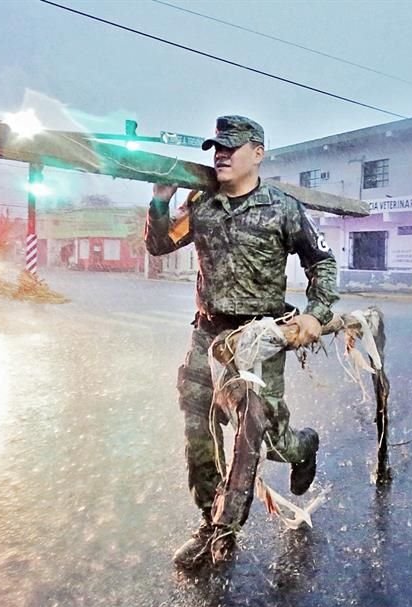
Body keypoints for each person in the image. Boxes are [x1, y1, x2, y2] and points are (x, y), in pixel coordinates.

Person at [145, 115, 338, 570]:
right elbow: (159, 246)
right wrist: (158, 203)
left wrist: (315, 312)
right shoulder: (202, 203)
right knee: (199, 431)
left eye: (232, 147)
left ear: (258, 153)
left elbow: (322, 263)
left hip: (259, 337)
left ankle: (302, 446)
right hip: (207, 334)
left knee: (266, 438)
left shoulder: (282, 208)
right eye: (217, 148)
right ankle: (215, 525)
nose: (221, 155)